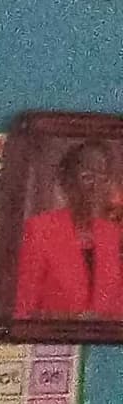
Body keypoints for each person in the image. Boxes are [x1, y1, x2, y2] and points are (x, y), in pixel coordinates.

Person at [12, 135, 123, 321]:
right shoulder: (39, 230)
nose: (96, 186)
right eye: (87, 177)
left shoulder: (112, 235)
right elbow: (22, 310)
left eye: (103, 177)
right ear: (67, 182)